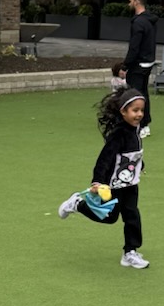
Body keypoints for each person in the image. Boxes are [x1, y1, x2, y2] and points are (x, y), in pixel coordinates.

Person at [58, 88, 149, 269]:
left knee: (132, 215)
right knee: (109, 217)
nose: (139, 114)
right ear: (123, 111)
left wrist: (140, 165)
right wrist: (97, 181)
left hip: (130, 184)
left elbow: (132, 154)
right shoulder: (118, 133)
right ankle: (77, 204)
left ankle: (130, 252)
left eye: (141, 110)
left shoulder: (136, 129)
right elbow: (104, 159)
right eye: (135, 110)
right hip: (112, 185)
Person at [119, 0, 155, 135]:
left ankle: (140, 125)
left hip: (139, 64)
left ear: (136, 1)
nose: (129, 4)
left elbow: (134, 47)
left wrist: (125, 66)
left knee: (135, 95)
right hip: (148, 62)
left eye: (130, 1)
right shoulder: (149, 20)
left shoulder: (139, 23)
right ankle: (144, 124)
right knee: (143, 93)